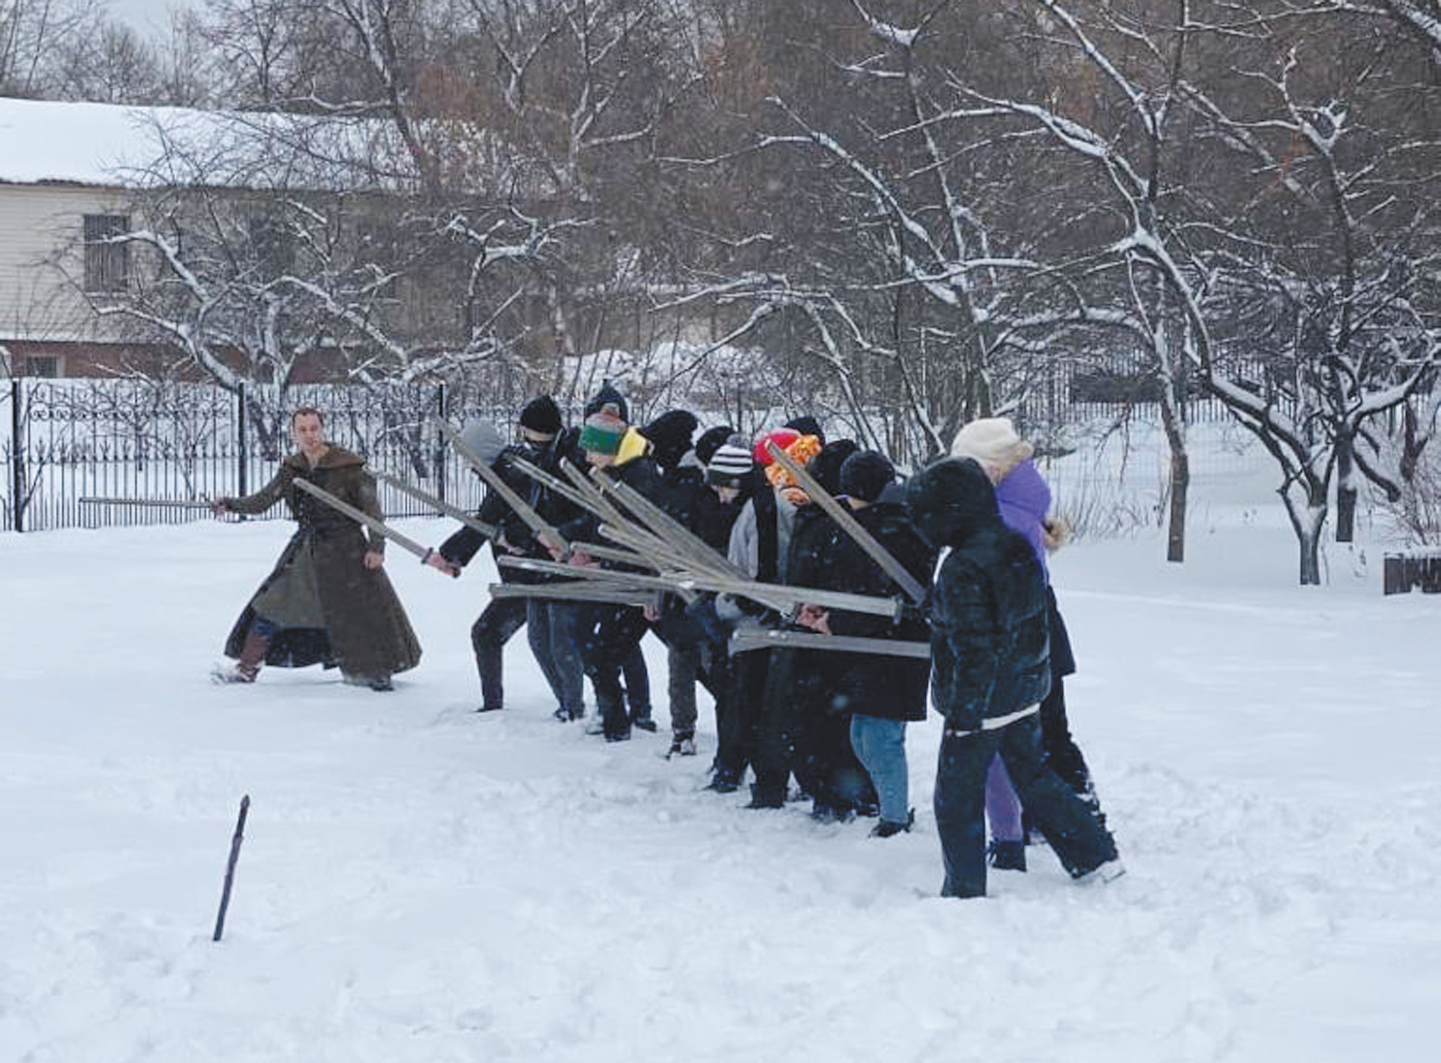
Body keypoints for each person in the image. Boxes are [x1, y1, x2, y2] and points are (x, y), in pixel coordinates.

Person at [905, 457, 1121, 898]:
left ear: (948, 513)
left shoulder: (962, 567)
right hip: (1022, 692)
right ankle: (1096, 856)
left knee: (956, 798)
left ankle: (963, 889)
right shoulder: (1012, 542)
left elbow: (976, 647)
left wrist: (966, 712)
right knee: (1036, 779)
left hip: (982, 702)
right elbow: (1020, 618)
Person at [951, 417, 1107, 871]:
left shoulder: (1004, 513)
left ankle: (1081, 819)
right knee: (1041, 730)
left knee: (1041, 732)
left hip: (1023, 631)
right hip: (1033, 628)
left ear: (990, 467)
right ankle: (1066, 815)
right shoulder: (1014, 497)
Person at [211, 406, 421, 691]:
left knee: (359, 611)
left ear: (322, 429)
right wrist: (231, 504)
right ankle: (247, 668)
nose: (309, 435)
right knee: (271, 603)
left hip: (347, 552)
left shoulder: (349, 468)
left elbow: (372, 512)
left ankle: (374, 671)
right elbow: (262, 501)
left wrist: (376, 547)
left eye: (314, 428)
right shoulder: (292, 468)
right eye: (303, 430)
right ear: (294, 434)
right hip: (306, 553)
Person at [791, 451, 935, 835]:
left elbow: (877, 595)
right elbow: (849, 587)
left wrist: (833, 621)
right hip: (872, 649)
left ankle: (894, 818)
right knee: (862, 734)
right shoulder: (870, 524)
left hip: (894, 649)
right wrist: (823, 609)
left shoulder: (889, 530)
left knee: (880, 737)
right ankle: (889, 809)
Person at [425, 398, 587, 720]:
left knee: (498, 634)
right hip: (527, 573)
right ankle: (569, 704)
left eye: (469, 458)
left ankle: (564, 706)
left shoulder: (510, 473)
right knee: (542, 642)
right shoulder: (509, 467)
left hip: (537, 571)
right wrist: (453, 556)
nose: (468, 467)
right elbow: (487, 523)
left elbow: (491, 521)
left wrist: (453, 555)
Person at [560, 385, 667, 742]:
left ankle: (624, 719)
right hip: (615, 577)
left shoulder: (638, 477)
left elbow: (642, 534)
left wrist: (646, 587)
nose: (587, 455)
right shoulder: (612, 474)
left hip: (637, 581)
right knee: (594, 646)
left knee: (607, 652)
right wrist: (571, 540)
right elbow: (599, 522)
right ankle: (616, 717)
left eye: (592, 448)